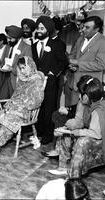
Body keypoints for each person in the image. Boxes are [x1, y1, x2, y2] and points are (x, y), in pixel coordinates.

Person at [48, 77, 105, 177]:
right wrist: (64, 129)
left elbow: (96, 134)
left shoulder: (101, 110)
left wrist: (71, 132)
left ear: (86, 96)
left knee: (82, 142)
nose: (78, 96)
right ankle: (63, 168)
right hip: (96, 134)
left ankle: (74, 176)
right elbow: (79, 122)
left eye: (80, 93)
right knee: (67, 132)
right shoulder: (85, 104)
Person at [0, 56, 45, 157]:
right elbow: (15, 96)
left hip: (26, 111)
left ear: (30, 66)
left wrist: (20, 107)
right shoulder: (22, 80)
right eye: (20, 68)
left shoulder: (37, 80)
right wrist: (12, 105)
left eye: (24, 67)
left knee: (8, 120)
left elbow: (37, 100)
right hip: (15, 107)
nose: (23, 71)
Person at [31, 15, 68, 148]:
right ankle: (39, 132)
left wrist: (53, 73)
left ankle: (48, 134)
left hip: (51, 82)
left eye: (42, 28)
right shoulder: (34, 45)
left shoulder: (58, 44)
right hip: (37, 83)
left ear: (48, 29)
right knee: (39, 107)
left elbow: (63, 62)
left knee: (49, 108)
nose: (39, 30)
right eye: (38, 28)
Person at [67, 16, 105, 108]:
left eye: (87, 27)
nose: (83, 29)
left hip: (90, 89)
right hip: (75, 86)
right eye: (83, 26)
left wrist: (78, 64)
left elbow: (100, 65)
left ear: (97, 29)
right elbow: (72, 54)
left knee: (87, 118)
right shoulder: (80, 39)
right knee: (73, 115)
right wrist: (72, 65)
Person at [4, 25, 33, 91]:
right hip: (5, 81)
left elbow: (27, 69)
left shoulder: (26, 48)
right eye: (7, 38)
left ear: (18, 38)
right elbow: (4, 61)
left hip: (18, 83)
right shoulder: (8, 46)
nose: (8, 40)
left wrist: (12, 69)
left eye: (10, 38)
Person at [0, 33, 13, 100]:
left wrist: (2, 66)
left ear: (2, 41)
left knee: (4, 94)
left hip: (6, 76)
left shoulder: (9, 48)